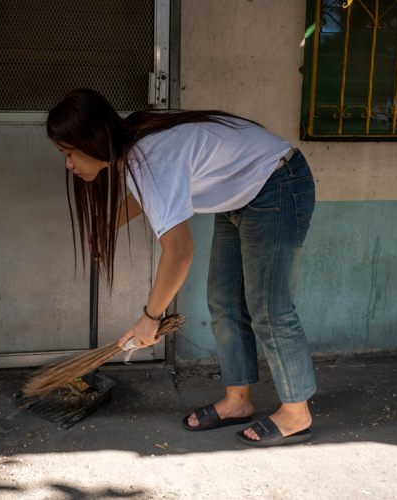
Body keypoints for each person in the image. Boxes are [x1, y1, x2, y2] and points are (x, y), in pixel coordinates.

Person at [47, 89, 316, 447]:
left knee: (269, 308)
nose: (68, 164)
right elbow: (156, 192)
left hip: (277, 184)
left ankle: (296, 412)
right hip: (243, 194)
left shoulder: (148, 157)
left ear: (90, 141)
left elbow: (179, 252)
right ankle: (238, 400)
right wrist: (109, 224)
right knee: (223, 301)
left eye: (68, 154)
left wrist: (150, 317)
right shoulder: (135, 140)